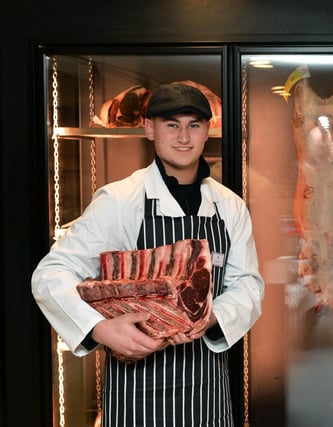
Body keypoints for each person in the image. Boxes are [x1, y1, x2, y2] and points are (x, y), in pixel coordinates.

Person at [32, 82, 265, 426]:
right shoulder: (120, 200)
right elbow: (51, 274)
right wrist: (100, 329)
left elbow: (247, 285)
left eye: (194, 125)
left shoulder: (229, 206)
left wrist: (208, 317)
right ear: (149, 129)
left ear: (207, 132)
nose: (184, 137)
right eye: (172, 125)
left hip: (207, 390)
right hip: (135, 393)